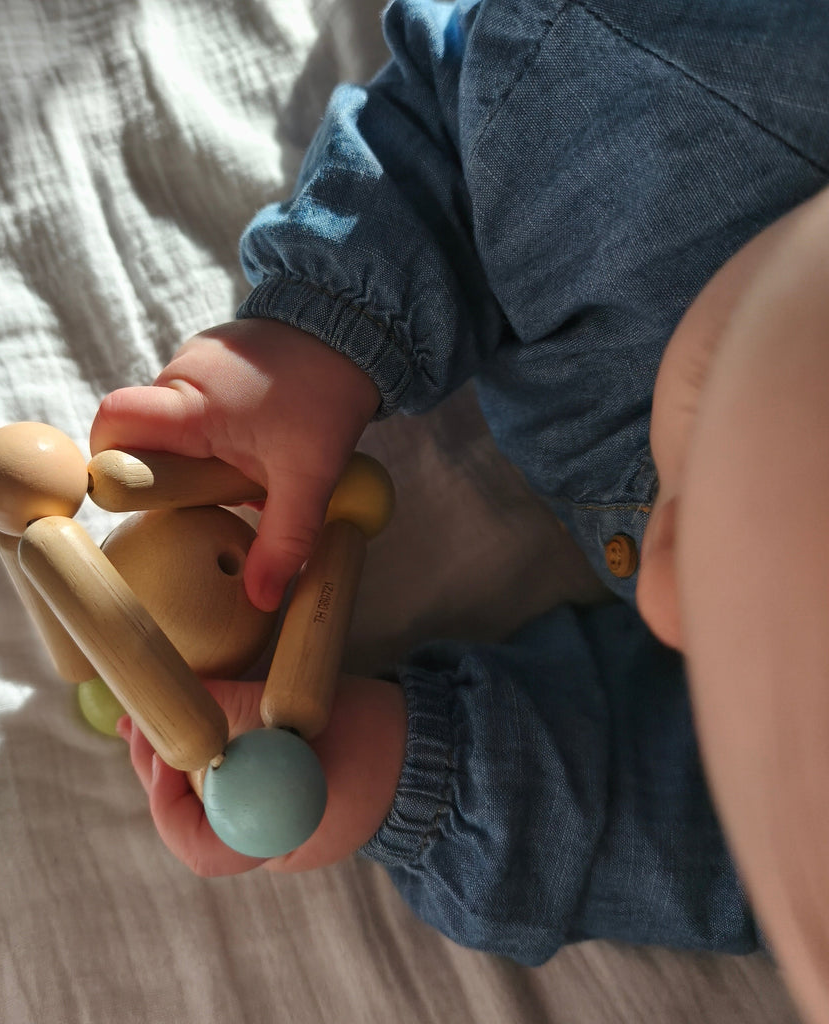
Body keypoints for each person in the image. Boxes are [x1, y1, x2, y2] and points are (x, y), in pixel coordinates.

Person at [91, 0, 829, 1016]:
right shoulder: (670, 82)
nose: (664, 615)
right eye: (695, 513)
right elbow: (469, 110)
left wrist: (411, 770)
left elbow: (711, 825)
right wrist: (320, 333)